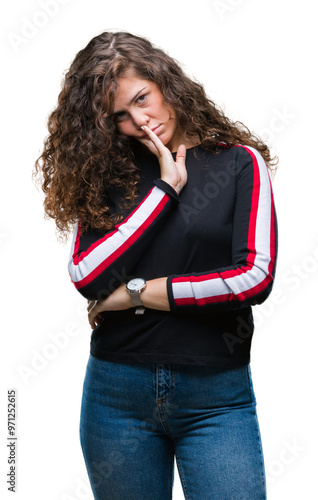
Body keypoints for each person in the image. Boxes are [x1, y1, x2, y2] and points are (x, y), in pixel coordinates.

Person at [35, 30, 278, 500]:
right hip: (116, 396)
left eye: (142, 99)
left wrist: (139, 292)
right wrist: (164, 190)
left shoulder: (238, 164)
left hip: (216, 397)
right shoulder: (106, 172)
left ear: (165, 80)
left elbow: (254, 277)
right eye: (120, 116)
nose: (140, 122)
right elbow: (87, 275)